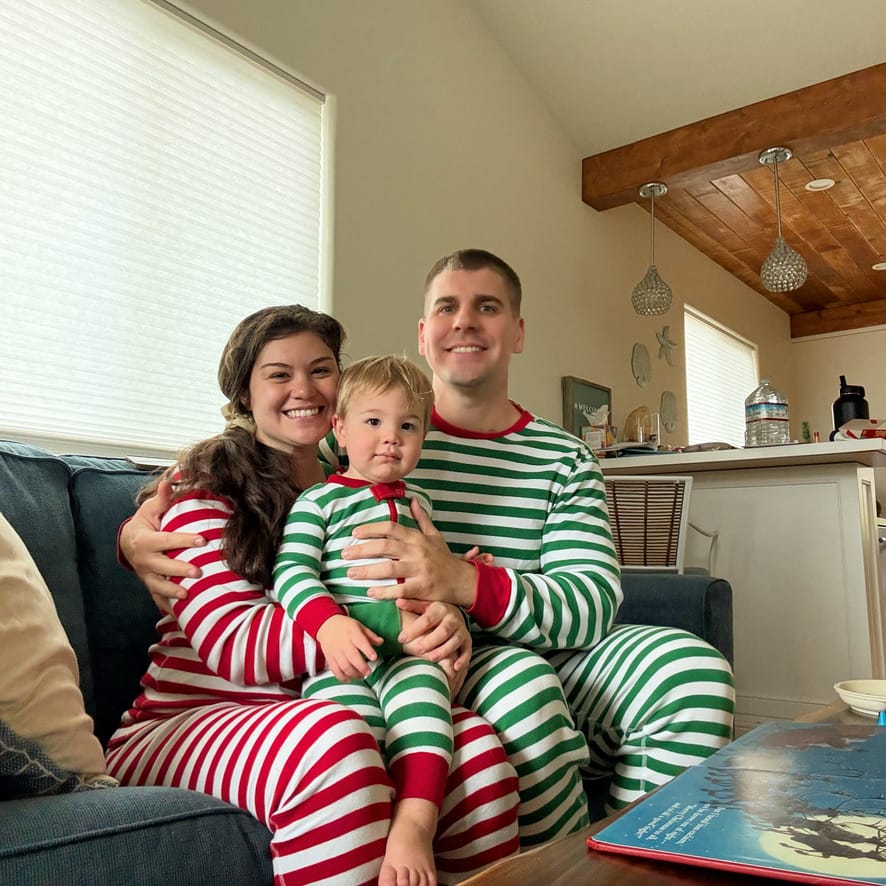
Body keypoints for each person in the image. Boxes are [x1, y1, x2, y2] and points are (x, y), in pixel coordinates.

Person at [120, 249, 735, 837]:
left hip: (527, 647)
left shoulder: (565, 458)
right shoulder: (359, 439)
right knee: (520, 687)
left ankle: (638, 858)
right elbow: (257, 466)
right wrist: (136, 528)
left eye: (487, 307)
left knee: (693, 672)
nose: (464, 322)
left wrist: (462, 583)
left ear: (518, 332)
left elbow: (593, 604)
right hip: (425, 657)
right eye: (447, 307)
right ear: (423, 334)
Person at [106, 306, 520, 886]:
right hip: (181, 724)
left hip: (318, 702)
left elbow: (402, 587)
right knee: (335, 742)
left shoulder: (352, 491)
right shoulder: (205, 489)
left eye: (321, 370)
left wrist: (443, 615)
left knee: (476, 751)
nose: (303, 388)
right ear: (245, 393)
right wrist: (393, 625)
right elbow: (234, 645)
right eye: (279, 374)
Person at [274, 354, 464, 886]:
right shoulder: (320, 500)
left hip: (410, 656)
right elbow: (291, 572)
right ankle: (364, 844)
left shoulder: (420, 503)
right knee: (354, 733)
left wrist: (461, 576)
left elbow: (436, 573)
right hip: (345, 656)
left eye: (408, 426)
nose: (390, 439)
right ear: (339, 428)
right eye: (374, 421)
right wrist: (327, 624)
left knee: (429, 718)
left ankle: (415, 826)